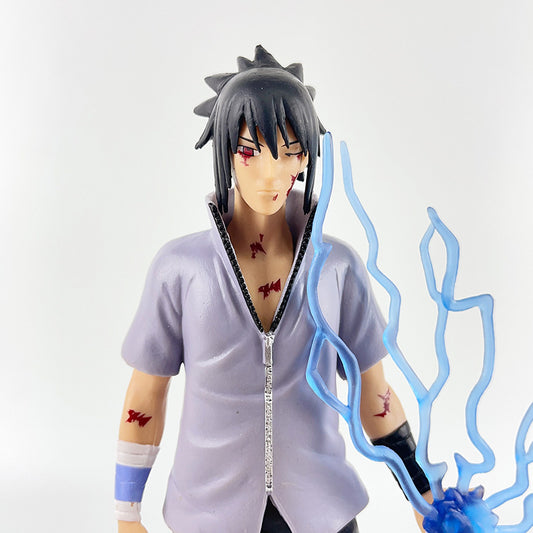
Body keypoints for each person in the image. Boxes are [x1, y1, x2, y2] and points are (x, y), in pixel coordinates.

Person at [115, 45, 430, 533]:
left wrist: (424, 497)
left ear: (305, 158)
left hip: (321, 509)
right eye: (250, 150)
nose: (271, 173)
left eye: (290, 152)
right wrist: (126, 515)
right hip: (209, 513)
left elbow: (375, 395)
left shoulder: (337, 268)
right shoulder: (180, 269)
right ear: (224, 151)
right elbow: (146, 395)